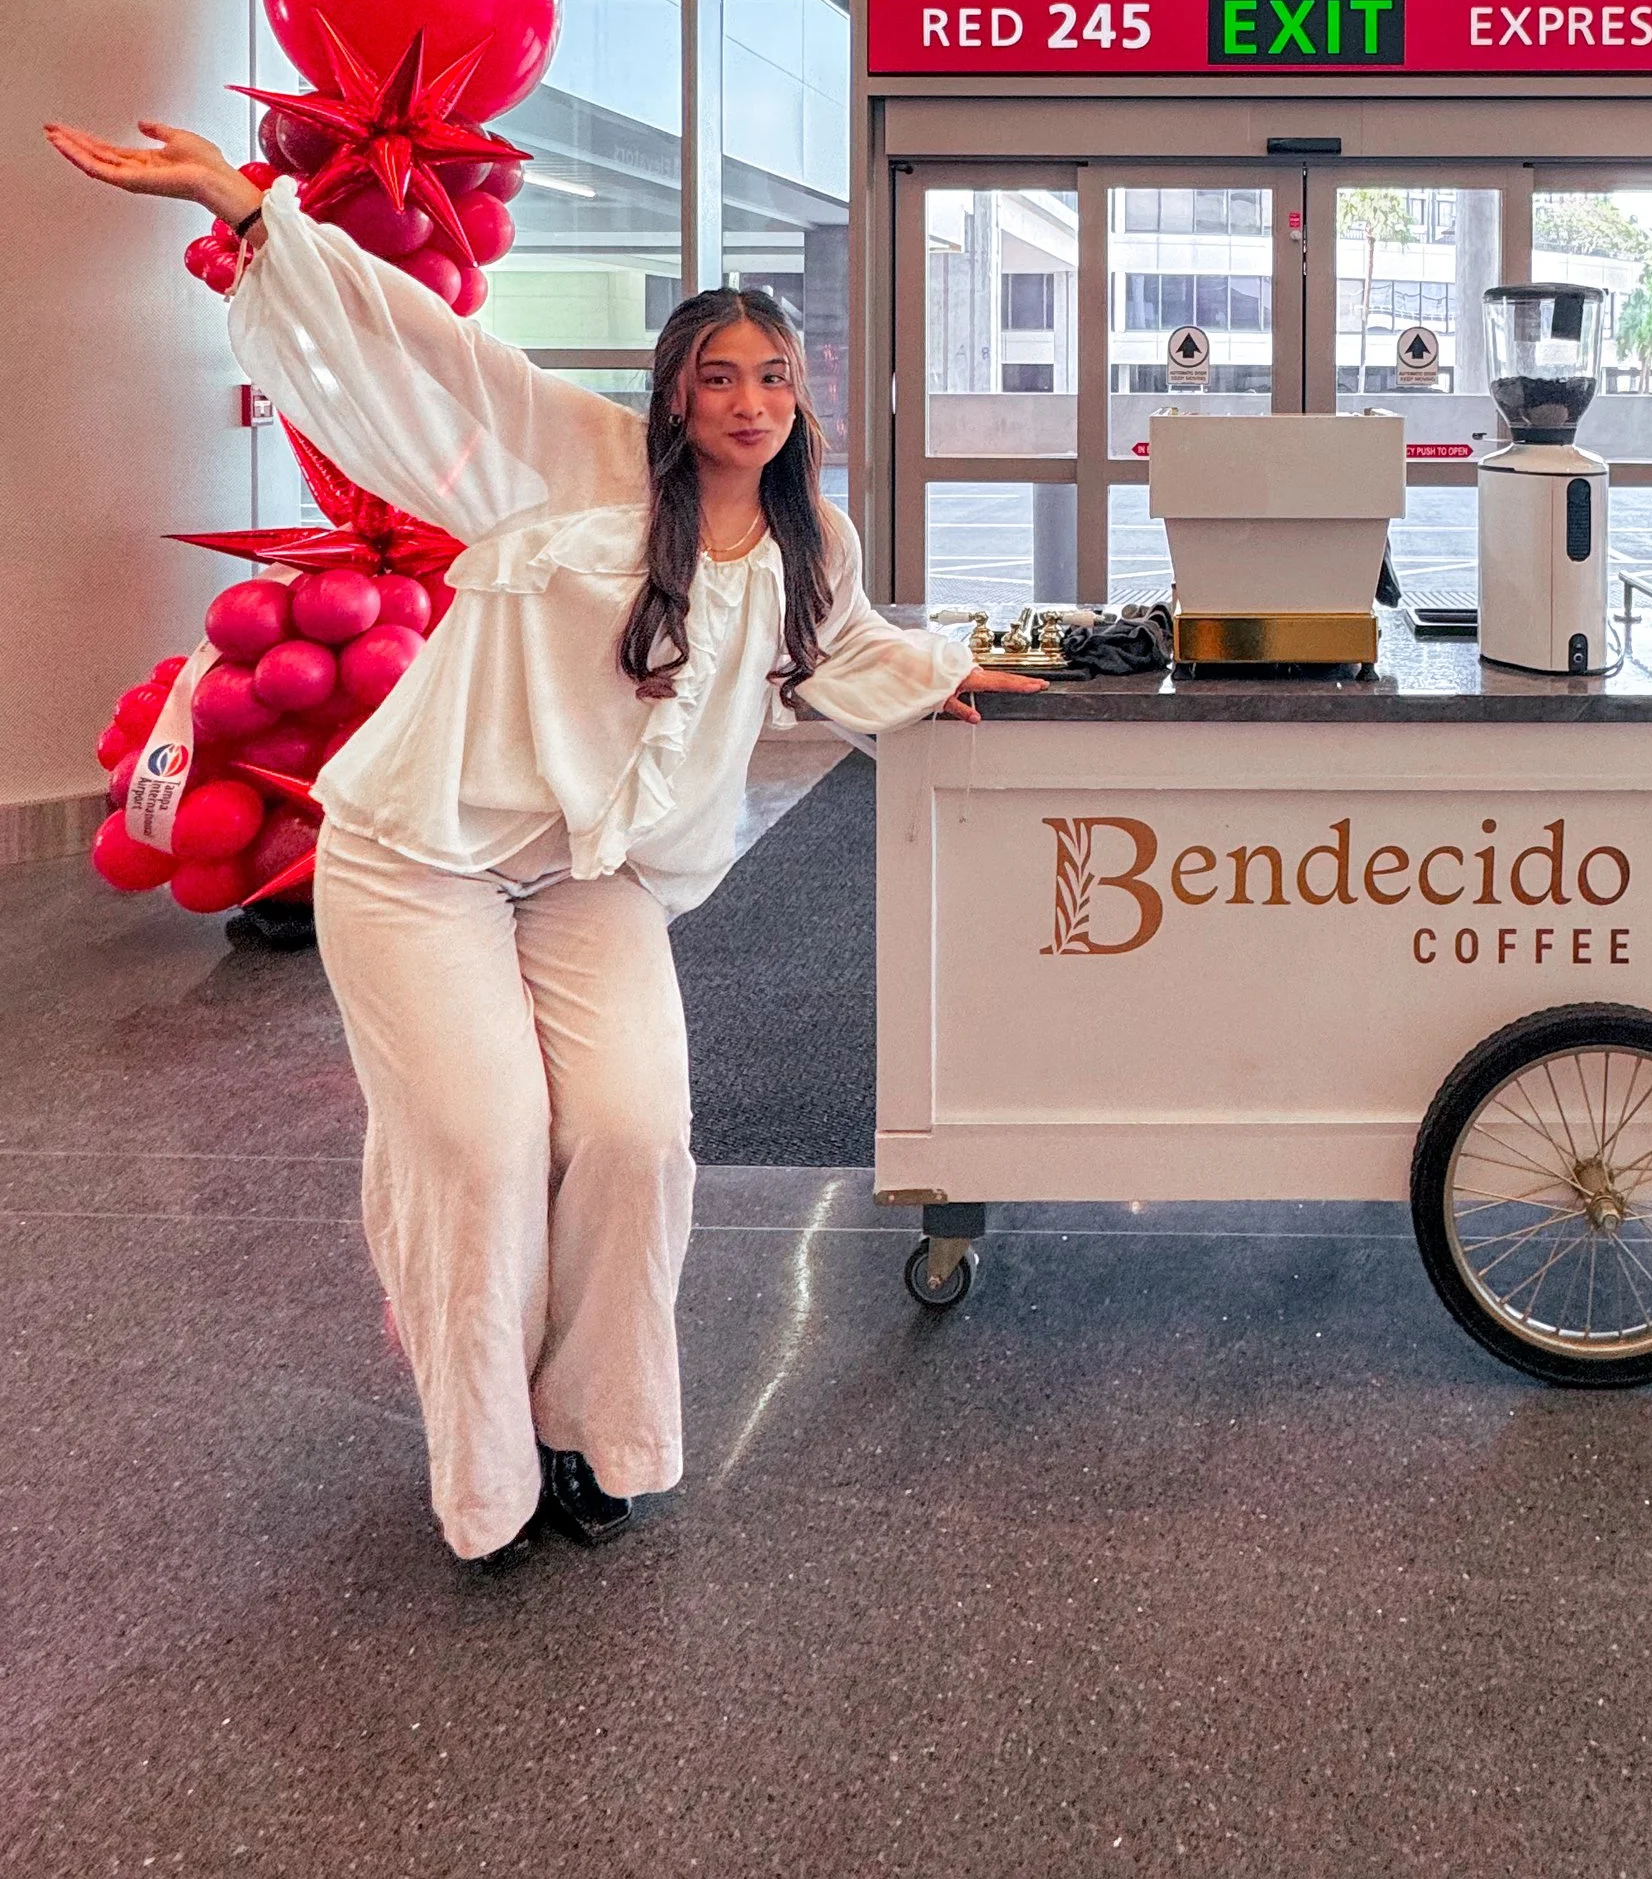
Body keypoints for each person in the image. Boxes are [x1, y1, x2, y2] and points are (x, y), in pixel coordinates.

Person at [46, 117, 1040, 1566]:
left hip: (595, 875)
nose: (750, 400)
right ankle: (488, 1469)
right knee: (486, 1144)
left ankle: (597, 1433)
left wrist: (950, 676)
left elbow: (844, 653)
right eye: (721, 375)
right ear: (676, 390)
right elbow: (420, 350)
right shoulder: (569, 455)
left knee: (636, 1138)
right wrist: (242, 205)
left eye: (774, 375)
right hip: (421, 857)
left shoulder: (809, 532)